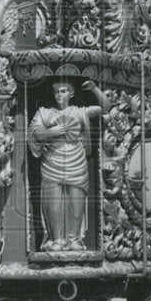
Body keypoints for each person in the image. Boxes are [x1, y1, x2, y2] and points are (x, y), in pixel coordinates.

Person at [27, 79, 110, 251]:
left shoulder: (80, 112)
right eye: (56, 91)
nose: (59, 95)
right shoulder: (44, 113)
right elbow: (34, 133)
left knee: (77, 200)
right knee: (53, 201)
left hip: (76, 159)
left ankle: (74, 239)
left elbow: (106, 107)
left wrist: (94, 89)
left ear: (71, 94)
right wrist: (51, 132)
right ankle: (57, 239)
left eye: (63, 91)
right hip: (51, 159)